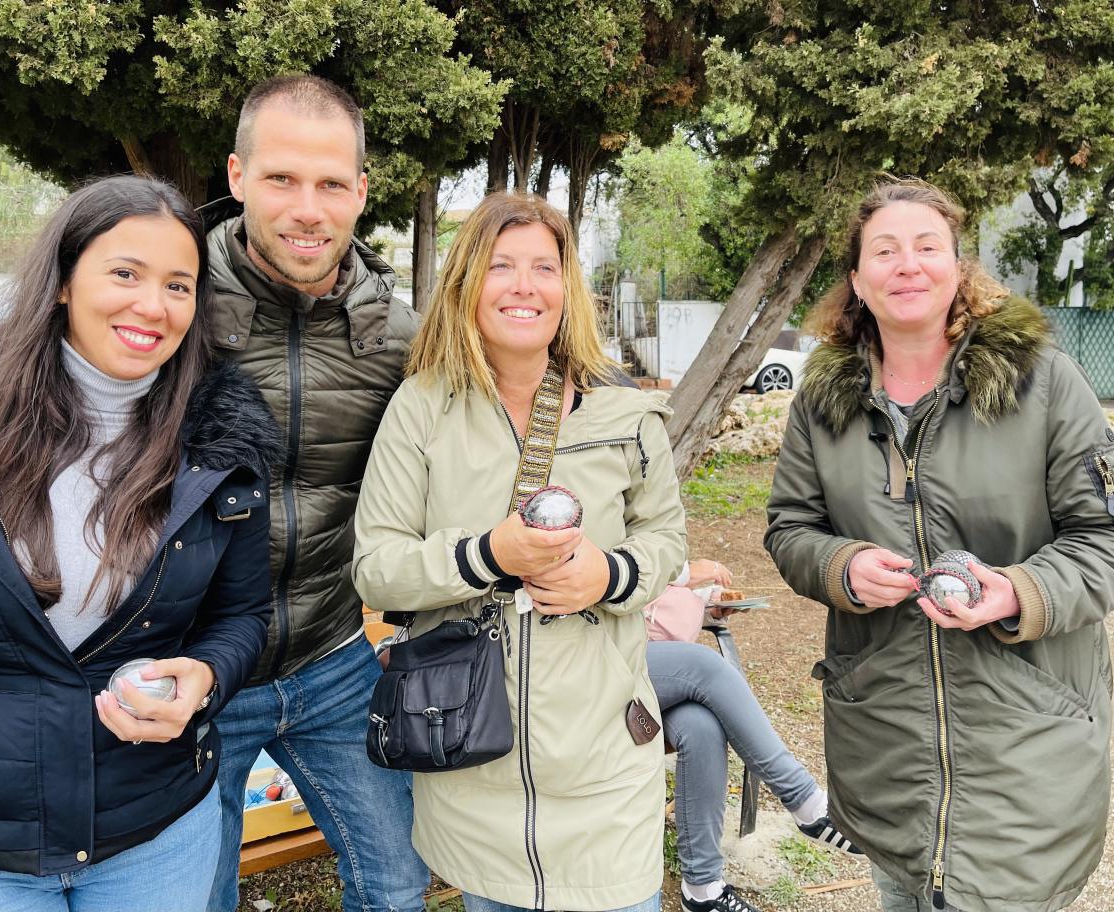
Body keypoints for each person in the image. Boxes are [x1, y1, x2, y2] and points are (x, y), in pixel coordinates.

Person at [0, 175, 279, 912]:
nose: (153, 306)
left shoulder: (219, 446)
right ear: (62, 281)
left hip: (157, 828)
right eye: (124, 273)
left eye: (179, 285)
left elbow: (243, 618)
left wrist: (204, 680)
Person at [764, 177, 1114, 912]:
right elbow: (790, 527)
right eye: (884, 251)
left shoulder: (1043, 382)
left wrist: (1021, 591)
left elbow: (1103, 536)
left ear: (960, 268)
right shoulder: (822, 403)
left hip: (1028, 744)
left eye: (928, 247)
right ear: (857, 278)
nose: (907, 265)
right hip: (885, 746)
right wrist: (841, 566)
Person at [353, 191, 687, 912]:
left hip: (604, 767)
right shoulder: (423, 406)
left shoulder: (622, 411)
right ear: (468, 281)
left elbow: (665, 539)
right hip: (473, 761)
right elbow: (377, 566)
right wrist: (487, 555)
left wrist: (609, 574)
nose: (525, 286)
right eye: (501, 265)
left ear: (568, 288)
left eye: (545, 266)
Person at [200, 75, 428, 912]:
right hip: (201, 675)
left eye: (332, 183)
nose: (309, 208)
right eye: (282, 179)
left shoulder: (397, 336)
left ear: (362, 192)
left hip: (334, 659)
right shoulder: (171, 311)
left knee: (397, 887)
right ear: (236, 176)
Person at [645, 559, 861, 912]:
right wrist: (682, 572)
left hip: (651, 672)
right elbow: (616, 575)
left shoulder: (654, 514)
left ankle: (702, 891)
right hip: (592, 665)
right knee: (705, 666)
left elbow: (653, 602)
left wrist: (701, 601)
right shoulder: (592, 510)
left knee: (700, 726)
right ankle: (804, 800)